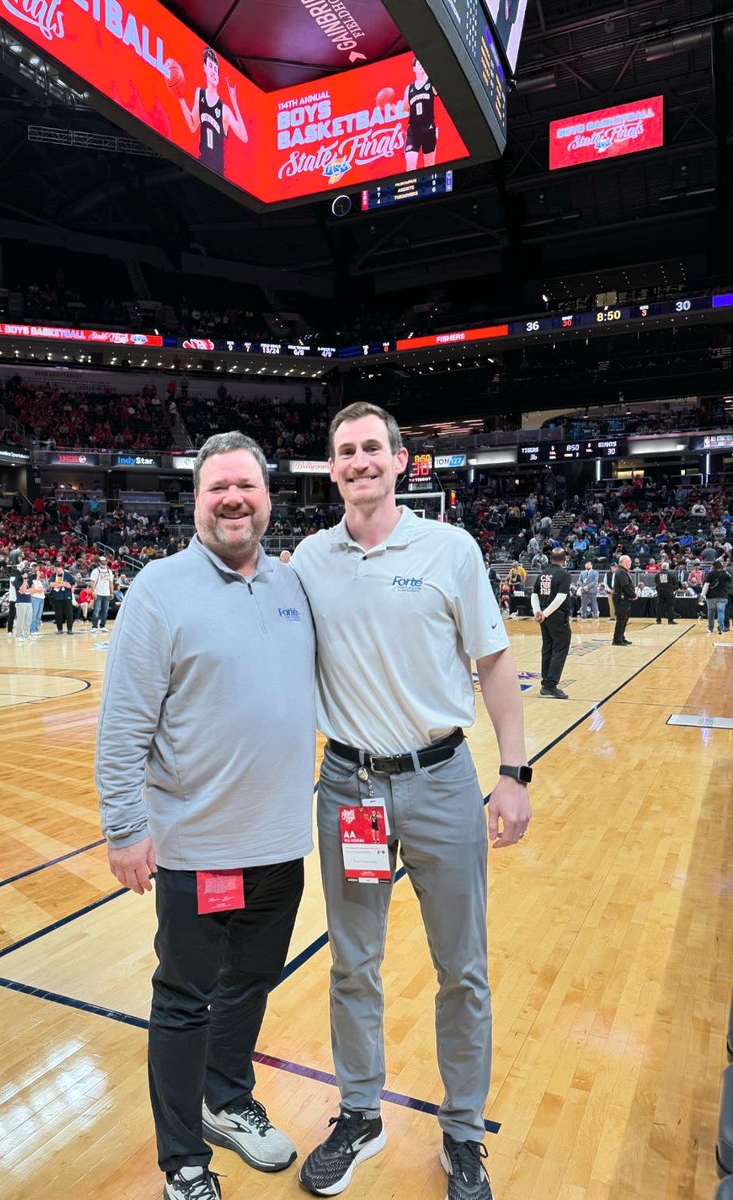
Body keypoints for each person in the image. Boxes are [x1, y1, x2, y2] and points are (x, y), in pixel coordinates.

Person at [291, 403, 531, 1200]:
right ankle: (360, 1114)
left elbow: (493, 661)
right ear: (332, 470)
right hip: (348, 787)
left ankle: (463, 1133)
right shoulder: (308, 561)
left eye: (372, 448)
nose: (359, 461)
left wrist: (515, 772)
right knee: (352, 964)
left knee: (462, 968)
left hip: (441, 782)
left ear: (400, 461)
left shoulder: (450, 549)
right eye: (345, 451)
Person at [95, 432, 316, 1200]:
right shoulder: (159, 588)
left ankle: (227, 1099)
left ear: (267, 498)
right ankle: (183, 1161)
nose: (232, 499)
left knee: (251, 985)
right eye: (217, 487)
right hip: (203, 855)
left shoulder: (292, 585)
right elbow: (123, 721)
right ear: (196, 499)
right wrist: (124, 829)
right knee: (186, 1000)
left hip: (281, 848)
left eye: (246, 487)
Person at [174, 47, 248, 177]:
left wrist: (234, 102)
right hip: (202, 164)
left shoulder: (224, 109)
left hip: (218, 174)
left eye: (215, 69)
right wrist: (181, 99)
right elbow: (192, 125)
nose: (213, 71)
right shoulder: (199, 93)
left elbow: (244, 137)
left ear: (218, 77)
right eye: (210, 66)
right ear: (205, 68)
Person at [531, 547, 573, 699]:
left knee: (547, 648)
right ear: (564, 560)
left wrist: (538, 612)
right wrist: (545, 613)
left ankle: (545, 683)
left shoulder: (542, 574)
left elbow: (534, 594)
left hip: (544, 617)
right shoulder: (564, 575)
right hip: (556, 616)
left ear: (550, 559)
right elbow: (561, 597)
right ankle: (550, 685)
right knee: (560, 648)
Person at [405, 53, 437, 171]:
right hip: (414, 129)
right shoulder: (409, 88)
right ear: (414, 68)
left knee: (430, 165)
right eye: (418, 64)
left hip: (428, 127)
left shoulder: (431, 83)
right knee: (410, 167)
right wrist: (389, 105)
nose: (420, 66)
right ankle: (410, 185)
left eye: (422, 64)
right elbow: (404, 109)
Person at [611, 554, 636, 645]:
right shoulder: (621, 572)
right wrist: (633, 595)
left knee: (624, 619)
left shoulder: (623, 571)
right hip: (621, 599)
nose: (630, 563)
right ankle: (617, 640)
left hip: (625, 598)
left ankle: (621, 637)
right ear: (625, 562)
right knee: (621, 619)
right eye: (629, 561)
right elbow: (625, 586)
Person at [702, 559, 731, 635]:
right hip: (722, 596)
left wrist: (702, 595)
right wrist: (725, 571)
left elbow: (706, 585)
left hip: (711, 597)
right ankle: (721, 628)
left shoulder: (710, 574)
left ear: (713, 566)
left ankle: (710, 628)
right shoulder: (725, 574)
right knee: (721, 612)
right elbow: (730, 579)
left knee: (711, 612)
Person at [49, 561, 76, 635]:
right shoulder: (53, 575)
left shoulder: (68, 575)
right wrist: (62, 584)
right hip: (57, 597)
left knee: (69, 614)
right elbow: (51, 584)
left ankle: (69, 629)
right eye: (55, 568)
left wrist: (69, 586)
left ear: (61, 568)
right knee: (58, 614)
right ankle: (59, 629)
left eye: (57, 568)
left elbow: (72, 584)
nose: (56, 570)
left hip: (66, 596)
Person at [12, 561, 34, 643]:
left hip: (29, 601)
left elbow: (33, 589)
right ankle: (19, 636)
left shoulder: (30, 578)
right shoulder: (17, 579)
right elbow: (21, 590)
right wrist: (24, 580)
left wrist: (26, 590)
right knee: (20, 620)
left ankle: (27, 635)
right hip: (21, 602)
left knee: (28, 620)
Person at [92, 557, 114, 632]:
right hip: (98, 593)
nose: (104, 562)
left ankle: (102, 626)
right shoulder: (96, 571)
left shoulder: (109, 571)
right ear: (99, 562)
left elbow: (111, 582)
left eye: (105, 561)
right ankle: (94, 626)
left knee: (105, 611)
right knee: (96, 610)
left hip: (107, 594)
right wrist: (93, 592)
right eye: (102, 561)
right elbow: (92, 583)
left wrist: (111, 592)